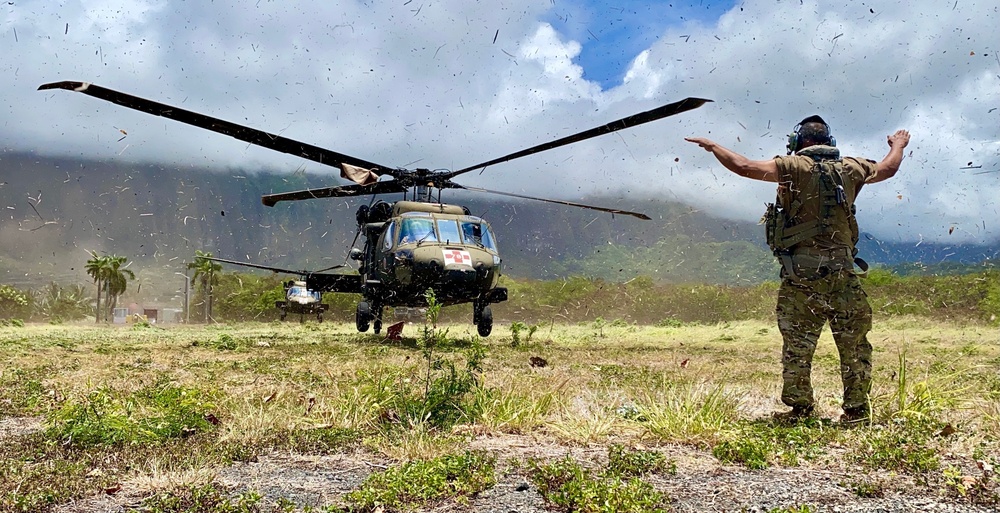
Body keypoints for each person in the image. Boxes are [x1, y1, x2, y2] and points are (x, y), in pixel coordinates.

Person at [686, 117, 910, 424]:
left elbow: (744, 166)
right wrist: (898, 145)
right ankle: (856, 411)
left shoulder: (792, 167)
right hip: (844, 274)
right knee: (854, 344)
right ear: (829, 142)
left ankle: (800, 408)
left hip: (802, 276)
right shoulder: (852, 168)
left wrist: (714, 147)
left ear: (798, 143)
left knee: (797, 346)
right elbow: (888, 168)